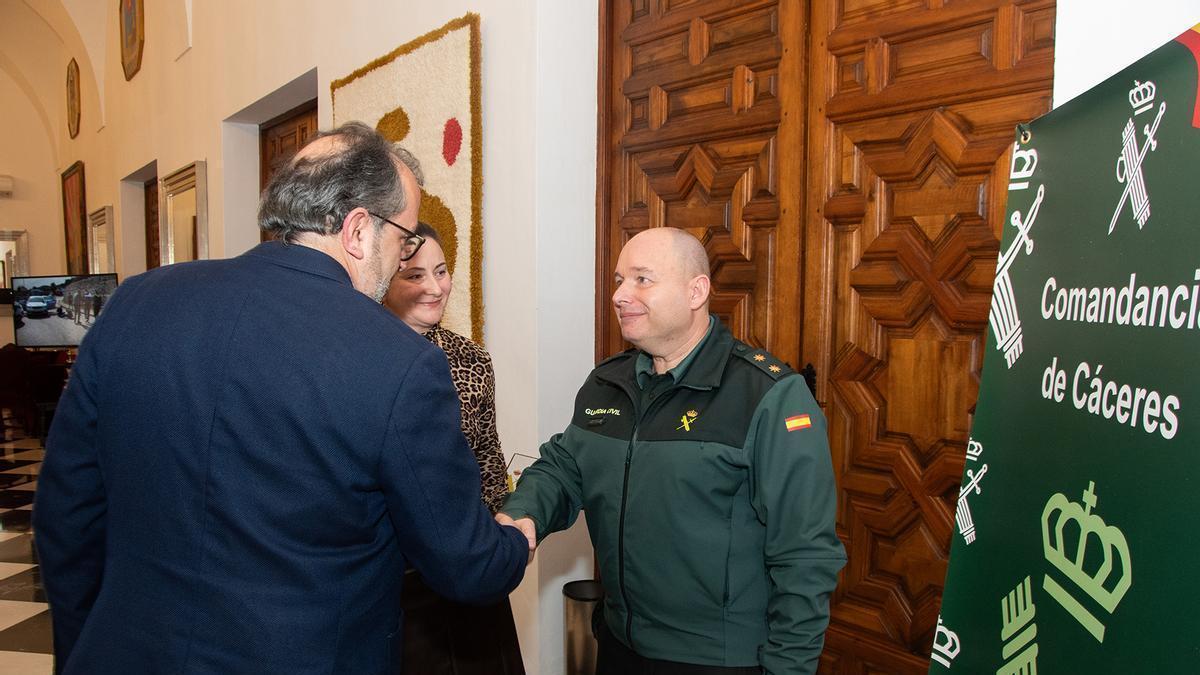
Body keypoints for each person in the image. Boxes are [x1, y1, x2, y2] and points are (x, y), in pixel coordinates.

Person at [34, 122, 531, 675]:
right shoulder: (398, 359)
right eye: (404, 238)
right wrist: (519, 535)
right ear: (359, 231)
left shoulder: (138, 302)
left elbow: (66, 516)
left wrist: (82, 651)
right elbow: (463, 566)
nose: (402, 258)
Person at [499, 227, 846, 675]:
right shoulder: (607, 382)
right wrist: (524, 511)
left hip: (717, 660)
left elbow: (806, 556)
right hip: (619, 646)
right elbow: (564, 466)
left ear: (696, 291)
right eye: (619, 280)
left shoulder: (769, 396)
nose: (621, 295)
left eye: (642, 279)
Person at [383, 223, 525, 673]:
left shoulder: (471, 360)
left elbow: (486, 459)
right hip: (394, 579)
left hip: (467, 562)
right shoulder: (364, 356)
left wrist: (498, 536)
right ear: (385, 280)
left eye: (441, 271)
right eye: (415, 275)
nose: (434, 287)